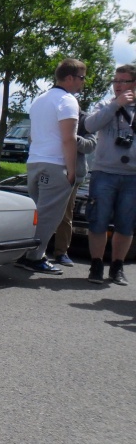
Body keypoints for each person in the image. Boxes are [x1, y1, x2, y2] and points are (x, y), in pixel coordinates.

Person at [15, 58, 82, 274]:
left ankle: (29, 253)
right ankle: (33, 257)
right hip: (54, 164)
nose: (83, 82)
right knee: (49, 216)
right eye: (81, 78)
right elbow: (69, 139)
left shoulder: (40, 99)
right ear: (70, 78)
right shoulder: (67, 101)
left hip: (35, 161)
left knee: (37, 213)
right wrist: (72, 171)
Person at [83, 64, 136, 285]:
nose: (118, 85)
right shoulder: (105, 105)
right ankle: (96, 266)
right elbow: (89, 124)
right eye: (115, 81)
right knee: (98, 221)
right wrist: (116, 105)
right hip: (104, 172)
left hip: (133, 176)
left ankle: (117, 267)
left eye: (124, 81)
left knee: (126, 224)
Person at [51, 112, 97, 267]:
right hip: (50, 169)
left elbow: (91, 145)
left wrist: (73, 138)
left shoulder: (85, 120)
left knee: (65, 215)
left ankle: (61, 252)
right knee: (42, 212)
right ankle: (36, 251)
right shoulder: (52, 115)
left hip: (72, 174)